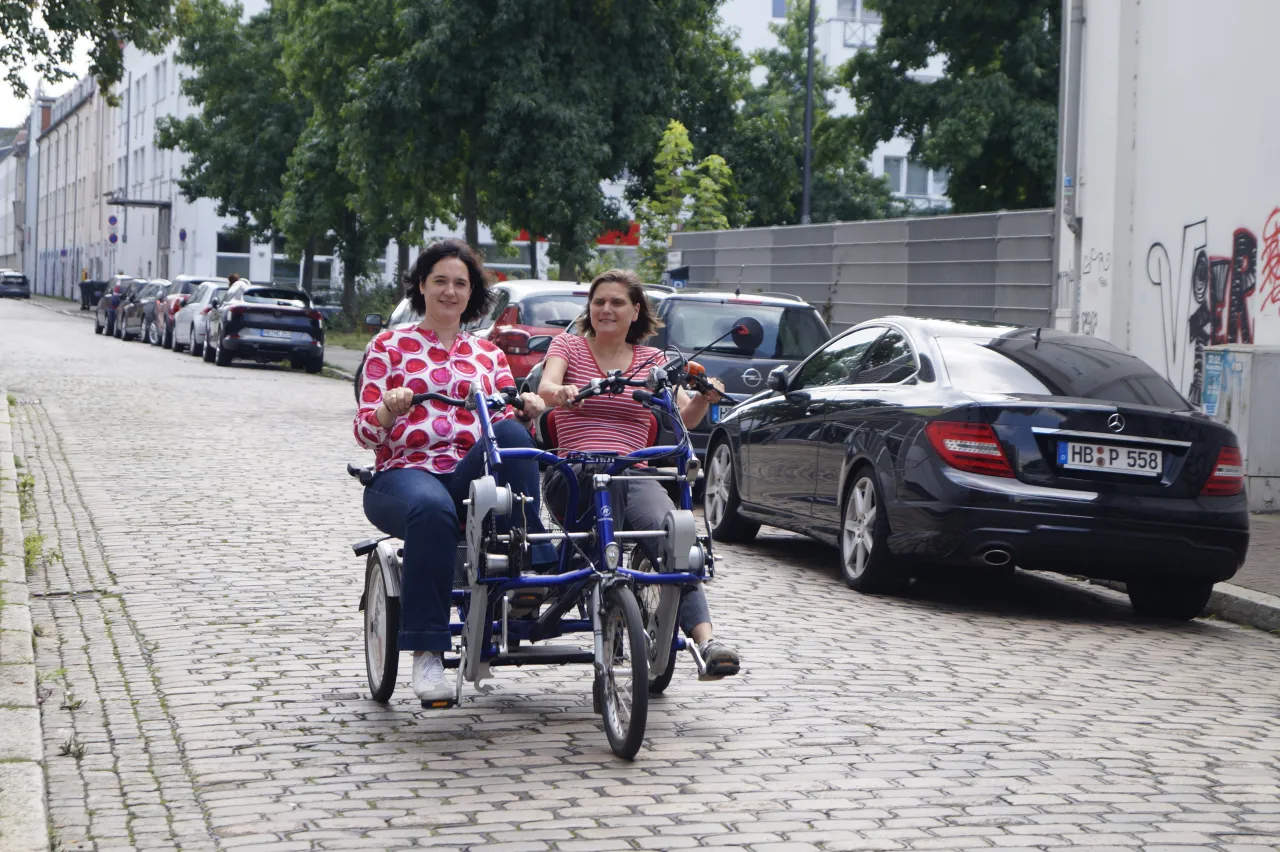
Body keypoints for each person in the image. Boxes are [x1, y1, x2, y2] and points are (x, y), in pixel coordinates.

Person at [354, 240, 551, 705]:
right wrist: (388, 408)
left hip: (468, 471)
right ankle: (427, 653)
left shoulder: (488, 354)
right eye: (440, 281)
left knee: (512, 434)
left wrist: (528, 407)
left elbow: (506, 418)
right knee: (432, 509)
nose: (449, 291)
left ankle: (532, 565)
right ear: (422, 286)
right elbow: (365, 432)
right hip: (405, 474)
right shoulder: (388, 346)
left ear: (471, 293)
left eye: (460, 283)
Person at [537, 269, 740, 677]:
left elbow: (684, 416)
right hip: (574, 473)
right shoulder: (569, 345)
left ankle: (706, 642)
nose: (606, 309)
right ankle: (601, 587)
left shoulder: (653, 361)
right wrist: (562, 393)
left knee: (675, 535)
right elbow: (546, 388)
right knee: (606, 481)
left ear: (635, 312)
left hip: (634, 473)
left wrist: (704, 396)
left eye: (617, 302)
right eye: (598, 302)